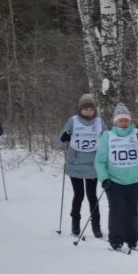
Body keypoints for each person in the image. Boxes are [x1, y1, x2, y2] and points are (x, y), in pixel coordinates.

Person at [94, 103, 138, 252]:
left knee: (132, 212)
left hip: (134, 180)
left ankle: (132, 241)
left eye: (126, 120)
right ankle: (116, 241)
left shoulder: (136, 133)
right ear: (115, 121)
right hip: (114, 181)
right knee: (117, 210)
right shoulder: (108, 136)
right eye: (120, 120)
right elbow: (99, 160)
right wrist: (104, 178)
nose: (124, 122)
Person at [59, 94, 107, 238]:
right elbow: (60, 142)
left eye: (91, 109)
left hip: (92, 164)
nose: (88, 112)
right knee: (78, 195)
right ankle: (75, 225)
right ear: (80, 109)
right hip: (76, 164)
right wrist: (64, 137)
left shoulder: (99, 122)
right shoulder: (73, 121)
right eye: (85, 109)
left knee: (92, 196)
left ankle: (96, 226)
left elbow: (108, 139)